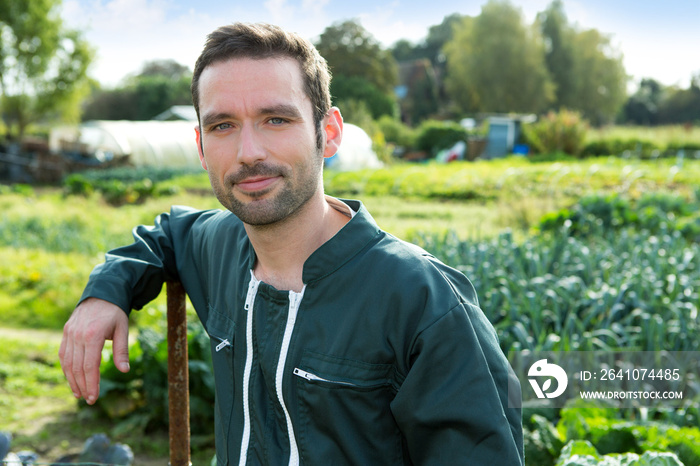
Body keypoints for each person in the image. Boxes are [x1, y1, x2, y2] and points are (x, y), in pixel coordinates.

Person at [59, 22, 524, 465]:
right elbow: (166, 233)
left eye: (276, 119)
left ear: (330, 132)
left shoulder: (424, 302)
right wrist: (106, 292)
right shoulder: (220, 248)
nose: (249, 152)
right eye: (223, 126)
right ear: (201, 148)